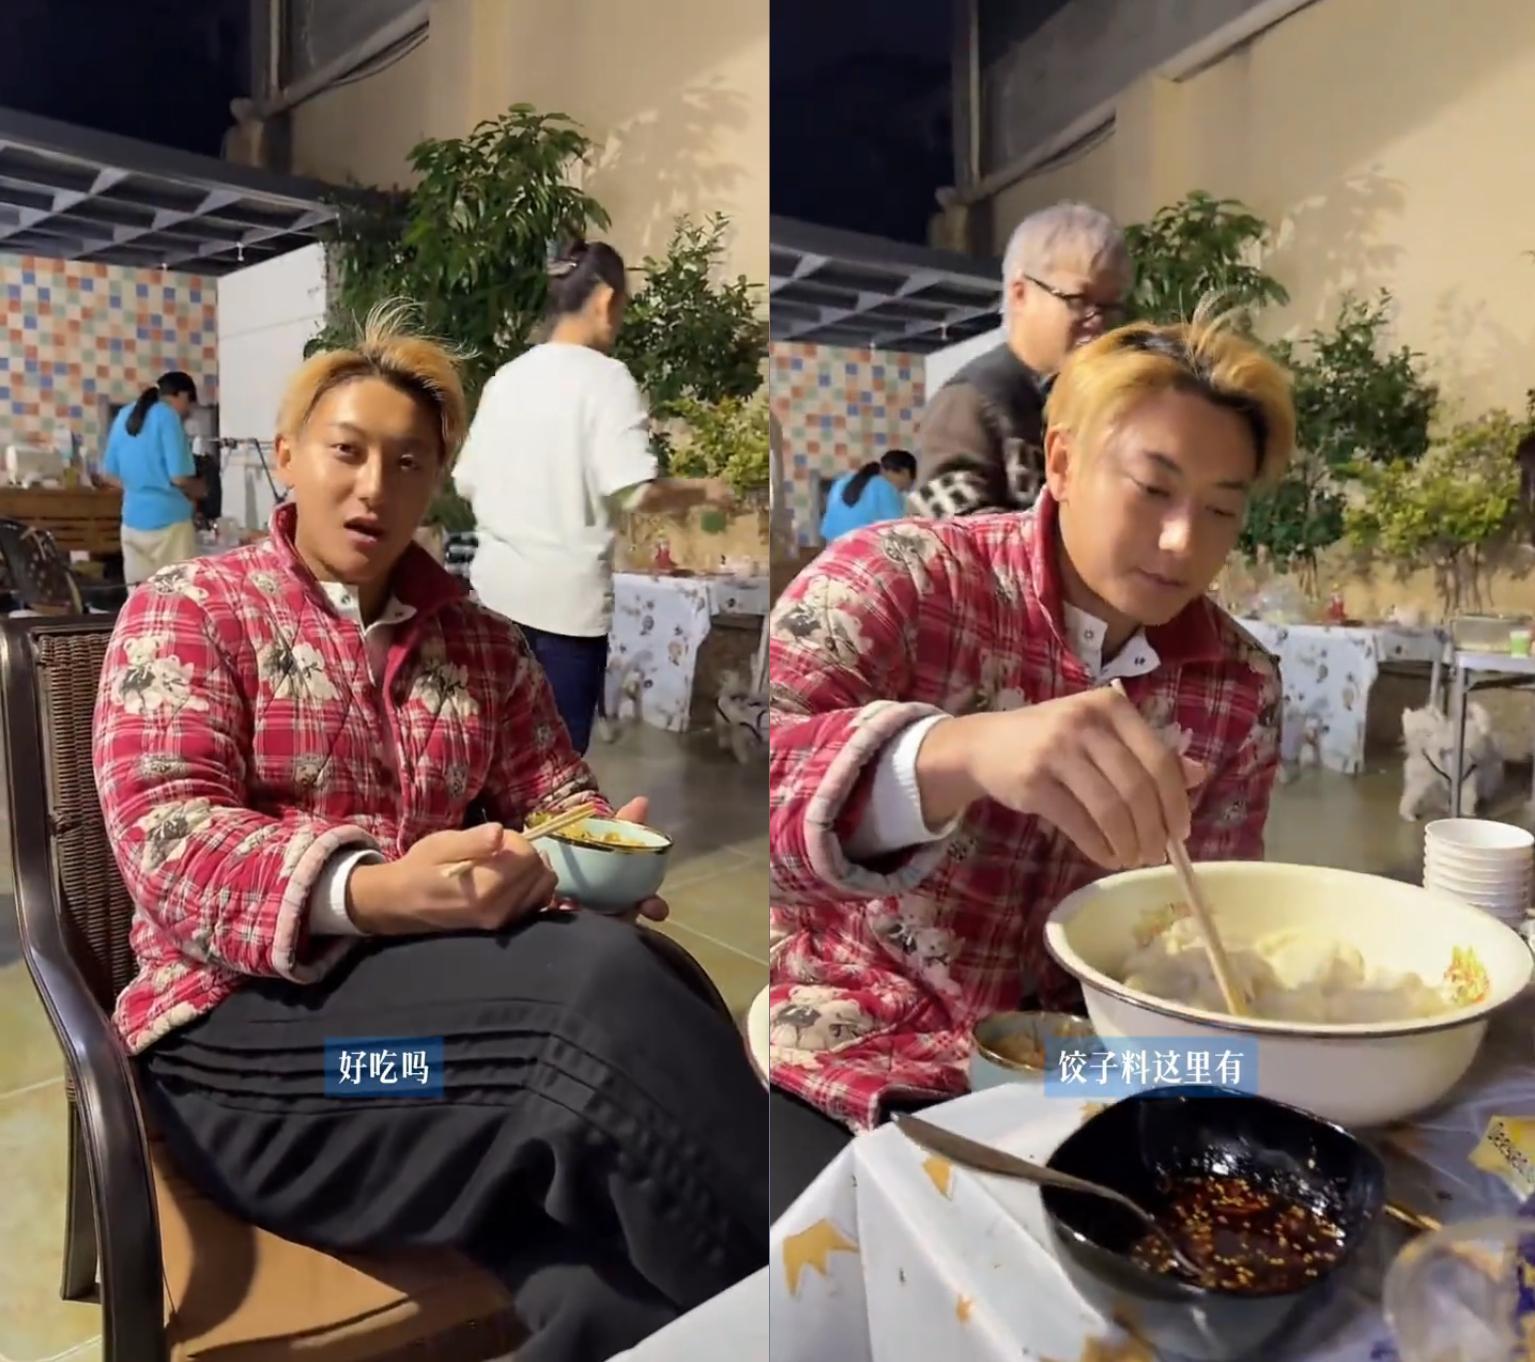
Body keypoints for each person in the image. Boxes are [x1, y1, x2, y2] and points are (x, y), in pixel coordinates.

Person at [93, 305, 767, 1362]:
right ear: (287, 456)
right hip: (266, 1067)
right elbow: (168, 837)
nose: (374, 487)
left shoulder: (481, 643)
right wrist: (373, 893)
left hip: (436, 1055)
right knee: (577, 1028)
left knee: (629, 1078)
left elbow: (554, 794)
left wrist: (592, 851)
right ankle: (832, 1303)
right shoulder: (192, 610)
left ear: (435, 480)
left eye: (407, 462)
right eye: (347, 452)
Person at [765, 308, 1293, 1218]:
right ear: (1061, 462)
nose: (1182, 541)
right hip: (849, 1049)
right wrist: (949, 754)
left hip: (1076, 1075)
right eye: (1152, 489)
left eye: (1219, 509)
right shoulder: (898, 580)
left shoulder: (1237, 685)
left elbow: (1210, 925)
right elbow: (762, 799)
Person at [454, 240, 734, 753]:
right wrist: (704, 490)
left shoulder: (505, 380)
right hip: (566, 611)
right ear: (606, 300)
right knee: (555, 766)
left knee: (492, 753)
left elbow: (466, 481)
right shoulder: (606, 378)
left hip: (492, 600)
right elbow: (635, 493)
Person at [909, 201, 1131, 519]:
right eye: (1079, 300)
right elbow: (952, 540)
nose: (1098, 321)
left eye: (1111, 306)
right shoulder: (969, 402)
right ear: (1020, 294)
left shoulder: (1100, 398)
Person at [100, 370, 205, 584]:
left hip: (132, 522)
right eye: (189, 404)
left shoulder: (124, 415)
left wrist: (138, 489)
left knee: (140, 596)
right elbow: (179, 478)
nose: (188, 413)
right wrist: (201, 489)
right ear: (182, 395)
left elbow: (108, 474)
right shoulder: (168, 417)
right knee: (177, 595)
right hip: (170, 526)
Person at [819, 449, 916, 541]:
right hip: (859, 548)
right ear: (905, 472)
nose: (902, 491)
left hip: (832, 547)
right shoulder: (885, 487)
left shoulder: (843, 480)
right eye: (906, 486)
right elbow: (900, 531)